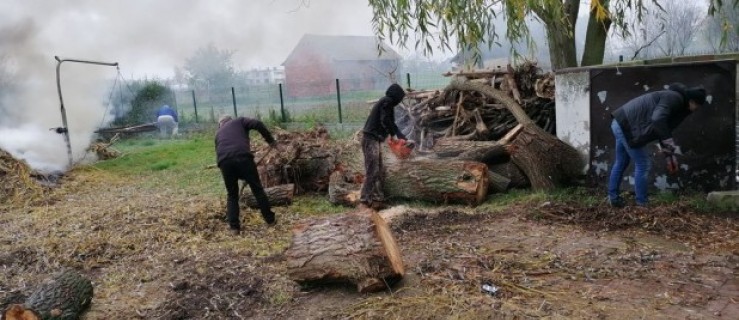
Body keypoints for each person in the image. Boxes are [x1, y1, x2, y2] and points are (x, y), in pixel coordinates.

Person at [607, 83, 706, 207]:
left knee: (621, 162)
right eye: (697, 105)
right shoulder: (675, 99)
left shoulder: (675, 99)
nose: (696, 109)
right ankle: (642, 204)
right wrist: (670, 154)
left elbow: (662, 130)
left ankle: (613, 198)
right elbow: (658, 120)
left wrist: (670, 159)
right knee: (643, 164)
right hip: (627, 126)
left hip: (620, 122)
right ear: (692, 101)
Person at [215, 115, 277, 234]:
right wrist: (270, 141)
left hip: (224, 163)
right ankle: (270, 220)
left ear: (220, 124)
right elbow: (258, 123)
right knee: (257, 190)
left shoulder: (218, 134)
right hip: (243, 157)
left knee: (232, 195)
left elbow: (221, 152)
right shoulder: (240, 121)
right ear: (230, 120)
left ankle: (234, 228)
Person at [359, 83, 409, 210]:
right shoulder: (386, 101)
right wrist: (393, 135)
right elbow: (385, 120)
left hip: (374, 140)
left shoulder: (387, 104)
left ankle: (377, 200)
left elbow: (391, 122)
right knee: (373, 170)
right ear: (396, 95)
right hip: (370, 139)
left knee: (379, 170)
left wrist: (401, 135)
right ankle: (364, 200)